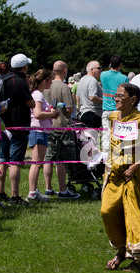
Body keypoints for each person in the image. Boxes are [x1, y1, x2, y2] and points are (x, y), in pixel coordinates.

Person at [101, 83, 140, 272]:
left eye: (120, 96)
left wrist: (135, 166)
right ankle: (121, 249)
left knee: (133, 215)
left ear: (133, 99)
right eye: (115, 96)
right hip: (114, 173)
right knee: (107, 211)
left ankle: (138, 258)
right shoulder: (111, 117)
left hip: (133, 174)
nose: (116, 99)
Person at [0, 53, 35, 206]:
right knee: (15, 162)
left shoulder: (3, 79)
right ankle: (15, 195)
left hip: (3, 124)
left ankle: (0, 192)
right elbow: (31, 104)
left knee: (2, 159)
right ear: (24, 67)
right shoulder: (19, 81)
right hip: (18, 124)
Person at [43, 61, 81, 199]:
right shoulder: (64, 87)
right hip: (62, 125)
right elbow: (70, 109)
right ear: (64, 70)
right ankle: (63, 189)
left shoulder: (45, 86)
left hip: (47, 125)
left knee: (48, 158)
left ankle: (48, 188)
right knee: (61, 160)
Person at [26, 69, 58, 202]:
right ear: (44, 81)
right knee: (36, 163)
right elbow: (38, 114)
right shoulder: (37, 95)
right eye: (50, 80)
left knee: (38, 162)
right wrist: (52, 113)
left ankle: (34, 191)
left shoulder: (39, 94)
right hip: (38, 131)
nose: (51, 83)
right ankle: (32, 192)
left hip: (42, 131)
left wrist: (50, 112)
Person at [100, 55, 129, 152]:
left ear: (110, 64)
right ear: (120, 65)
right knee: (118, 137)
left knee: (106, 137)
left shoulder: (103, 75)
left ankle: (105, 159)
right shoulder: (124, 78)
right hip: (118, 111)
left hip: (106, 110)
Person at [77, 60, 103, 128]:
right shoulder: (92, 80)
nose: (101, 70)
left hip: (83, 113)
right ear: (92, 70)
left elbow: (77, 98)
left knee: (86, 137)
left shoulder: (81, 80)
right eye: (99, 68)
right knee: (93, 137)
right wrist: (105, 101)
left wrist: (80, 109)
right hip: (93, 114)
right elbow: (92, 97)